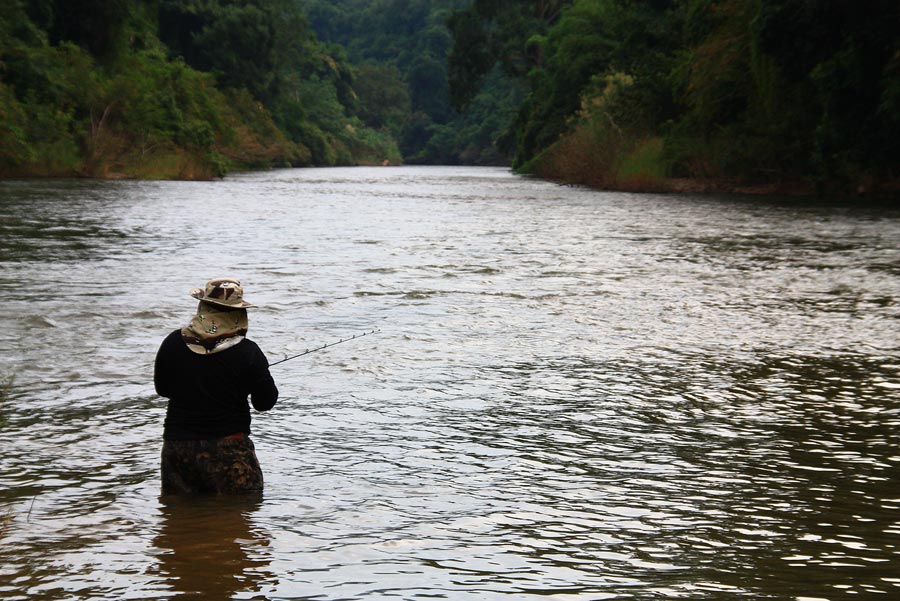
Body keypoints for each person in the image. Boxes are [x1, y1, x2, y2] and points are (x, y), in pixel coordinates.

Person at [154, 277, 278, 495]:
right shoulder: (248, 352)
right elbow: (265, 402)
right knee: (239, 516)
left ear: (202, 307)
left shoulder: (173, 342)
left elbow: (163, 389)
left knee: (180, 517)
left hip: (177, 448)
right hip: (229, 449)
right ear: (239, 313)